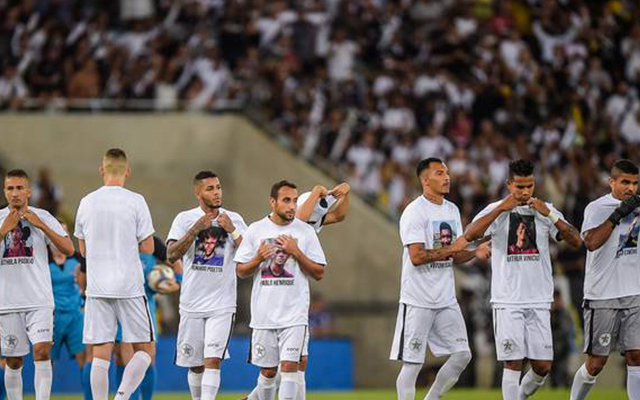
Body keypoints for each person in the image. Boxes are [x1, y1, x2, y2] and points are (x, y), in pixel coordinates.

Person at [465, 159, 582, 400]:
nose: (524, 192)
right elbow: (470, 235)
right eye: (519, 187)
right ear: (509, 185)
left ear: (534, 184)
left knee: (542, 367)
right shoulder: (495, 210)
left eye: (529, 186)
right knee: (513, 362)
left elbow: (576, 240)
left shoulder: (545, 210)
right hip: (507, 299)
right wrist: (501, 209)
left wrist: (549, 214)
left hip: (539, 298)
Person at [390, 158, 489, 400]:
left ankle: (431, 398)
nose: (447, 177)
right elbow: (416, 256)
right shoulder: (414, 211)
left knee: (462, 355)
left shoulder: (452, 210)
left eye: (447, 172)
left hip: (445, 298)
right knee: (412, 364)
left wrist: (475, 252)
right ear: (425, 180)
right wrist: (454, 248)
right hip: (418, 299)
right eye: (439, 173)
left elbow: (453, 255)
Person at [243, 182, 349, 400]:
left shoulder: (307, 227)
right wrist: (319, 191)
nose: (292, 207)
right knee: (274, 370)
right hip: (267, 312)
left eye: (294, 201)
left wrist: (344, 194)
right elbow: (299, 217)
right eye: (287, 201)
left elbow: (339, 216)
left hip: (294, 311)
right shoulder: (279, 225)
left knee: (296, 365)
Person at [74, 149, 155, 400]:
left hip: (97, 287)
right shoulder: (136, 200)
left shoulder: (87, 201)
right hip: (129, 286)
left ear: (102, 170)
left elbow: (83, 249)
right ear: (127, 171)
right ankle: (121, 396)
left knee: (100, 353)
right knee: (144, 351)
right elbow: (149, 247)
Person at [167, 171, 247, 400]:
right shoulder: (184, 218)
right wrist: (195, 230)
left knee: (213, 359)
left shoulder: (235, 219)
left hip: (222, 303)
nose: (217, 192)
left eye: (218, 187)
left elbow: (251, 257)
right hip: (192, 302)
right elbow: (171, 255)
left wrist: (233, 230)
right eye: (210, 188)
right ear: (198, 192)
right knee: (196, 365)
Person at [0, 169, 74, 400]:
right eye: (10, 188)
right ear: (4, 191)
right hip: (8, 301)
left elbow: (69, 249)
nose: (15, 193)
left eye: (20, 188)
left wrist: (41, 225)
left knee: (42, 351)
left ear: (29, 191)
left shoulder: (43, 216)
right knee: (13, 360)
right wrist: (5, 228)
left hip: (39, 300)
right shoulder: (0, 218)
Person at [569, 159, 640, 400]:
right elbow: (590, 243)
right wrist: (618, 214)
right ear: (612, 182)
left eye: (635, 183)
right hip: (603, 296)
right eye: (625, 182)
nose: (631, 188)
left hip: (634, 293)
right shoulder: (597, 207)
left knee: (636, 356)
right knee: (596, 363)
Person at [48, 221, 86, 374]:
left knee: (83, 358)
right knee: (45, 360)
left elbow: (86, 285)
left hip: (75, 315)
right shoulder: (41, 259)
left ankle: (89, 397)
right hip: (51, 317)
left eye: (63, 232)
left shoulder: (78, 259)